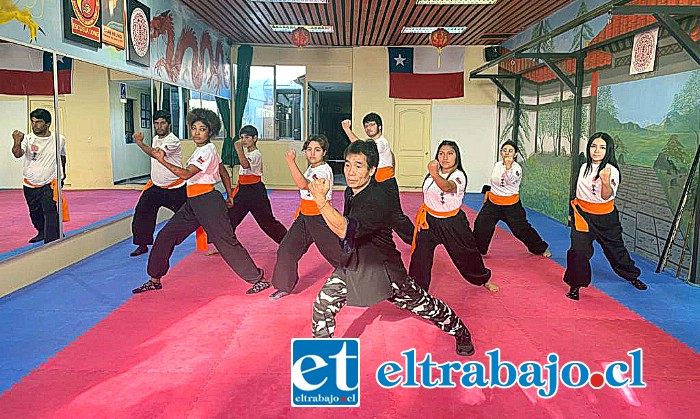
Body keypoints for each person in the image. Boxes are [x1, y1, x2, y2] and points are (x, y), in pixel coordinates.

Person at [307, 140, 475, 356]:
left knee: (424, 305)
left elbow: (344, 230)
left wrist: (321, 202)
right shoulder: (352, 192)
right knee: (323, 304)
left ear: (372, 170)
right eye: (347, 165)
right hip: (355, 262)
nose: (350, 172)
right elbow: (342, 228)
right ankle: (325, 368)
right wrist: (323, 204)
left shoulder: (377, 199)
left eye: (358, 166)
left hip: (383, 270)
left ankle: (461, 332)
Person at [132, 108, 269, 294]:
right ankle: (155, 278)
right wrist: (229, 195)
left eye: (202, 129)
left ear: (210, 131)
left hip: (208, 202)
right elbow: (223, 172)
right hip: (194, 202)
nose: (196, 132)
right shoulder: (203, 150)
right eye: (194, 128)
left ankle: (257, 279)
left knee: (226, 242)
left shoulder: (207, 151)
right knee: (166, 236)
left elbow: (186, 173)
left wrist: (162, 160)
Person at [563, 132, 647, 301]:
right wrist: (571, 213)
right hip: (582, 214)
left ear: (608, 150)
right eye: (593, 146)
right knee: (578, 251)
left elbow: (605, 196)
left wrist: (606, 181)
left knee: (615, 249)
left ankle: (632, 275)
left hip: (605, 217)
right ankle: (575, 285)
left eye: (602, 147)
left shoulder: (611, 170)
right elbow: (576, 192)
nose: (596, 151)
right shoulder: (583, 167)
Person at [409, 141, 496, 292]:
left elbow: (447, 187)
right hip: (429, 221)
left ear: (457, 157)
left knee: (467, 254)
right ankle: (417, 291)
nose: (445, 157)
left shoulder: (459, 176)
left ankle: (482, 279)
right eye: (441, 153)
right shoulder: (431, 175)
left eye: (450, 154)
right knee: (420, 256)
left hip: (453, 223)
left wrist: (434, 173)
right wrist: (434, 173)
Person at [268, 135, 342, 300]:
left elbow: (303, 184)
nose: (312, 153)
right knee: (286, 249)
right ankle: (283, 286)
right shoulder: (311, 168)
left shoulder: (323, 170)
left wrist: (290, 162)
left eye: (317, 150)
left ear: (324, 152)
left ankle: (360, 282)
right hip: (305, 216)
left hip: (321, 217)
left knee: (337, 254)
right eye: (309, 149)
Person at [341, 113, 414, 244]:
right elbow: (392, 156)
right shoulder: (378, 144)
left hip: (386, 184)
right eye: (366, 126)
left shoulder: (381, 142)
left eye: (372, 124)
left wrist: (347, 129)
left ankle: (416, 241)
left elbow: (363, 149)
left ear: (379, 127)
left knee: (396, 217)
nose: (368, 128)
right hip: (376, 183)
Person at [211, 125, 286, 253]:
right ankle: (224, 245)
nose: (244, 140)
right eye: (242, 137)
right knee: (231, 217)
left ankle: (287, 242)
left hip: (255, 192)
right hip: (243, 191)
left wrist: (239, 149)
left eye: (247, 137)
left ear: (255, 138)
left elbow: (245, 165)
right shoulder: (248, 153)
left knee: (266, 220)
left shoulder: (256, 154)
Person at [473, 140, 550, 258]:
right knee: (481, 224)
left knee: (521, 230)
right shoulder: (497, 165)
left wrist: (508, 167)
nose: (507, 153)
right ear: (501, 152)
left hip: (511, 205)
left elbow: (509, 181)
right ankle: (477, 250)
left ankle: (541, 248)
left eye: (510, 151)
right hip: (493, 203)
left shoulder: (517, 169)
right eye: (504, 150)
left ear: (515, 154)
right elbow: (494, 183)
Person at [129, 110, 187, 257]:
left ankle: (213, 239)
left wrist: (140, 143)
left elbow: (157, 154)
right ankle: (142, 244)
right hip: (156, 187)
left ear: (169, 124)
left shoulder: (173, 140)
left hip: (176, 188)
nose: (159, 126)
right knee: (142, 212)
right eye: (156, 123)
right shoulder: (155, 138)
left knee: (194, 215)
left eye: (162, 123)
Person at [11, 108, 67, 244]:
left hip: (51, 181)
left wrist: (63, 174)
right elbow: (17, 154)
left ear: (47, 124)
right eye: (33, 121)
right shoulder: (28, 139)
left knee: (50, 210)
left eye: (38, 122)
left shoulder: (59, 139)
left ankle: (52, 238)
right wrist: (17, 141)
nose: (35, 125)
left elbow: (62, 156)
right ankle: (42, 231)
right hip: (30, 182)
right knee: (35, 212)